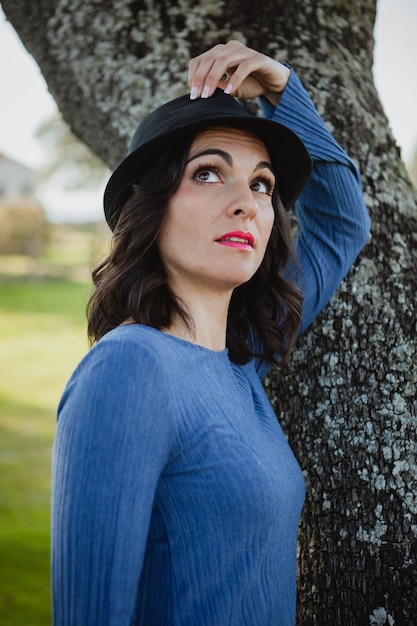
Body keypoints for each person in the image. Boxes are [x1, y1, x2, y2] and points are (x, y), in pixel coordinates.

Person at [51, 41, 370, 625]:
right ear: (147, 208)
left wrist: (282, 88)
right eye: (208, 173)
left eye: (261, 184)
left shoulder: (243, 356)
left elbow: (345, 220)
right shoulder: (130, 369)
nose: (245, 203)